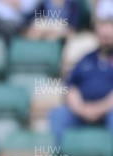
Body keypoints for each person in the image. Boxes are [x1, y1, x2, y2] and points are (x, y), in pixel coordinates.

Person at [49, 0, 113, 144]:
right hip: (81, 112)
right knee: (59, 115)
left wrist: (98, 109)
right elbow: (71, 87)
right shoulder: (86, 59)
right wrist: (82, 109)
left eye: (110, 25)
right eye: (102, 25)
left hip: (108, 112)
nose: (106, 31)